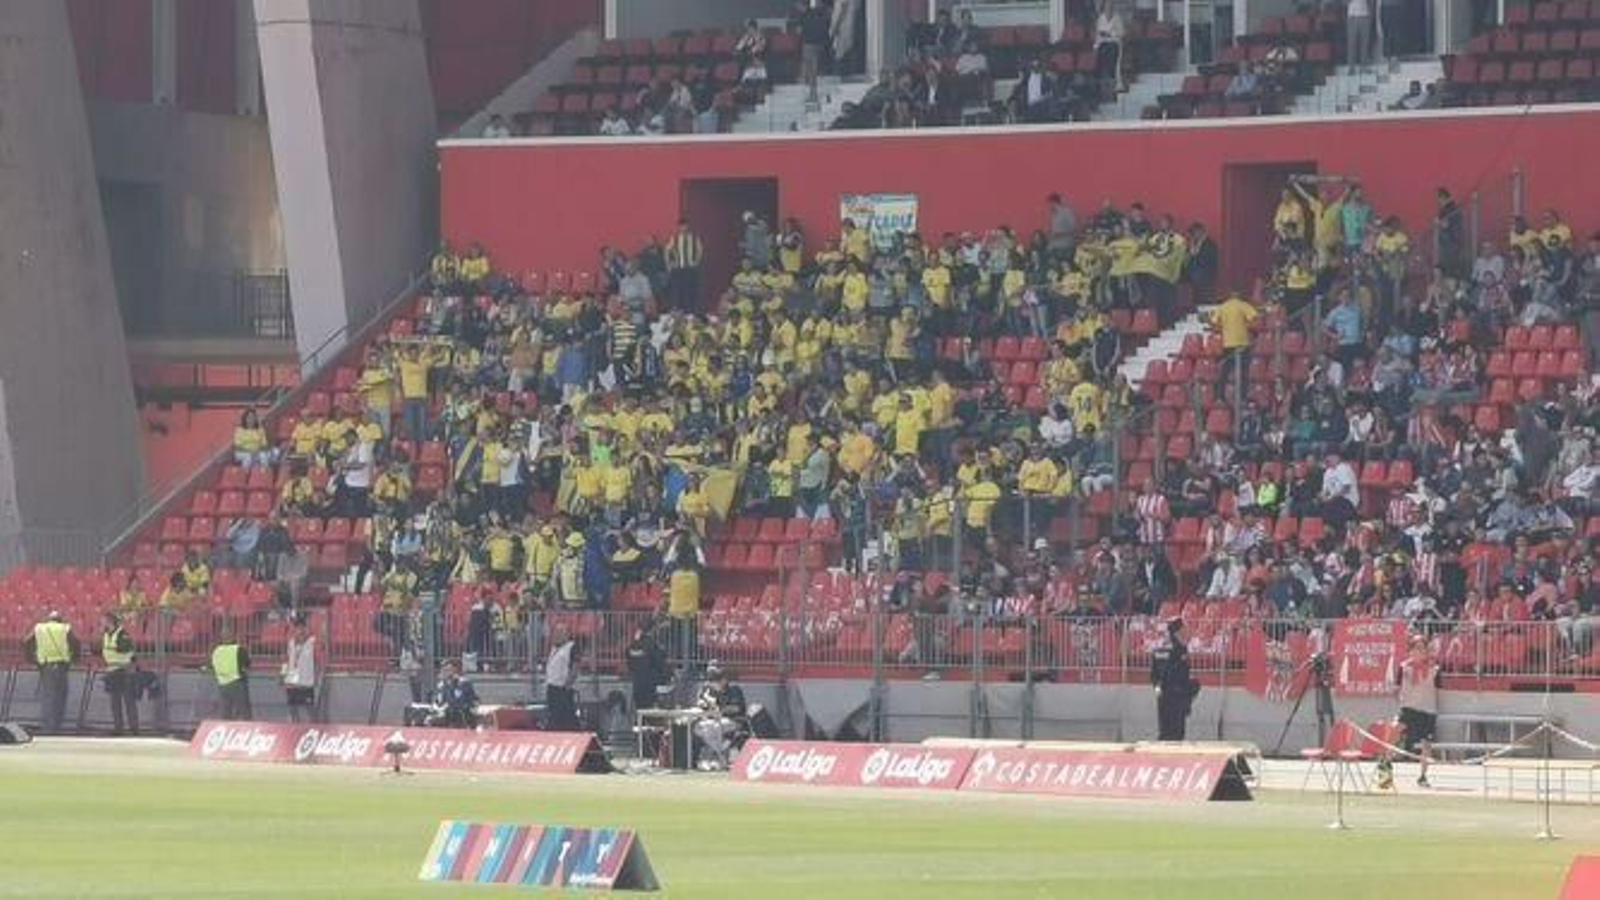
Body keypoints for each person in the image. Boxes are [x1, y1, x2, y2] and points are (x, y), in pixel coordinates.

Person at [23, 611, 80, 734]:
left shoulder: (39, 628)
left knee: (48, 697)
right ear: (60, 620)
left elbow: (26, 642)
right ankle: (56, 726)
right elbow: (76, 643)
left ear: (48, 619)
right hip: (61, 666)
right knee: (60, 697)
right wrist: (74, 659)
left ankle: (48, 726)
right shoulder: (65, 628)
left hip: (45, 666)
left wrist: (32, 659)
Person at [1397, 634, 1440, 787]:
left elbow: (1438, 690)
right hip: (1408, 707)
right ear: (1410, 650)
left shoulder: (1434, 669)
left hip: (1427, 709)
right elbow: (1397, 687)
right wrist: (1402, 702)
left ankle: (1423, 776)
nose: (1419, 651)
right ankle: (1385, 764)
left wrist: (1434, 710)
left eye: (1422, 648)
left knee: (1426, 744)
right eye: (1416, 648)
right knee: (1395, 731)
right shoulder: (1403, 667)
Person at [692, 664, 748, 769]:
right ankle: (718, 756)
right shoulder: (710, 692)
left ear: (724, 680)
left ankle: (714, 758)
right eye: (713, 681)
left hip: (734, 721)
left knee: (714, 727)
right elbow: (703, 706)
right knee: (698, 728)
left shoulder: (734, 690)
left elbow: (736, 708)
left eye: (717, 680)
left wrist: (720, 710)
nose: (714, 683)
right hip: (714, 721)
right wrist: (704, 704)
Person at [1150, 617, 1197, 740]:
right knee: (1177, 733)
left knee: (1165, 731)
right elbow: (1181, 675)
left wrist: (1157, 687)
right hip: (1177, 695)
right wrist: (1191, 691)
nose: (1186, 633)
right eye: (1183, 630)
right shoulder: (1180, 649)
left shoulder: (1159, 648)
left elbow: (1154, 674)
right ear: (1177, 633)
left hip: (1163, 694)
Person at [100, 611, 139, 736]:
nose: (101, 623)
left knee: (128, 700)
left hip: (124, 669)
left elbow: (126, 647)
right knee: (115, 701)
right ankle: (118, 728)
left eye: (103, 621)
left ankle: (134, 728)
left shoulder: (122, 634)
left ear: (110, 622)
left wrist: (116, 647)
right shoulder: (106, 634)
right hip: (112, 669)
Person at [625, 621, 669, 712]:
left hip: (637, 683)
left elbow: (629, 663)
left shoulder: (632, 646)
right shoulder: (652, 645)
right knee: (650, 710)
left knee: (640, 709)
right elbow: (659, 663)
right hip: (650, 682)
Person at [210, 626, 252, 722]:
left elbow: (211, 666)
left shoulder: (216, 650)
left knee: (225, 713)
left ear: (222, 637)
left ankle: (226, 729)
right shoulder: (239, 649)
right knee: (244, 712)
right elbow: (247, 664)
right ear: (233, 636)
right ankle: (246, 729)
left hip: (222, 685)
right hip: (237, 683)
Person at [281, 617, 318, 723]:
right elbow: (286, 660)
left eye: (303, 628)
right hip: (292, 681)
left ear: (306, 628)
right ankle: (295, 728)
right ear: (294, 629)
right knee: (292, 710)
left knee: (309, 711)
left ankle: (313, 728)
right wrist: (283, 675)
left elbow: (318, 661)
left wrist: (316, 677)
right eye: (298, 628)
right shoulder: (290, 643)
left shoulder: (312, 642)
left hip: (306, 682)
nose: (300, 630)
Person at [664, 219, 704, 311]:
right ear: (679, 227)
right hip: (678, 268)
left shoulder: (694, 238)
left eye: (685, 226)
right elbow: (667, 251)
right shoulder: (674, 238)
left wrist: (696, 262)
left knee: (690, 289)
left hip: (690, 268)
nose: (683, 228)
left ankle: (689, 309)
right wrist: (669, 264)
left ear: (688, 226)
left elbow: (700, 250)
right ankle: (678, 309)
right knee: (677, 289)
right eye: (682, 226)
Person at [545, 634, 581, 731]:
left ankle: (573, 732)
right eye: (556, 632)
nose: (557, 635)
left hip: (562, 687)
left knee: (567, 715)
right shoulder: (554, 648)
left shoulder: (572, 647)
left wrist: (569, 683)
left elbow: (575, 666)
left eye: (561, 632)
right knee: (553, 715)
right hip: (552, 686)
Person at [431, 660, 480, 728]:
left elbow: (464, 701)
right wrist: (438, 707)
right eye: (444, 670)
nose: (445, 672)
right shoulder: (442, 685)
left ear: (455, 670)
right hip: (447, 713)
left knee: (456, 712)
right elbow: (438, 701)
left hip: (463, 713)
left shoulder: (464, 683)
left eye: (448, 670)